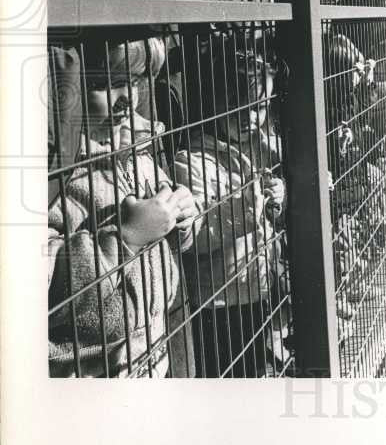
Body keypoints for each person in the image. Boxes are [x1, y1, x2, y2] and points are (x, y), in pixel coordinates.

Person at [47, 32, 199, 377]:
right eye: (107, 84)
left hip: (150, 352)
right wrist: (126, 239)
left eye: (133, 81)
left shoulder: (136, 148)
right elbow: (42, 288)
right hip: (92, 377)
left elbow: (171, 233)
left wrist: (184, 218)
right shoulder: (56, 177)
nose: (127, 99)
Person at [172, 48, 289, 377]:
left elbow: (274, 214)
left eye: (260, 107)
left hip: (256, 288)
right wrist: (252, 206)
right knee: (226, 376)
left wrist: (280, 196)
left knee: (253, 370)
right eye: (239, 108)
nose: (250, 119)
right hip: (216, 302)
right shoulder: (190, 160)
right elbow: (195, 236)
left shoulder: (261, 148)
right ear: (213, 104)